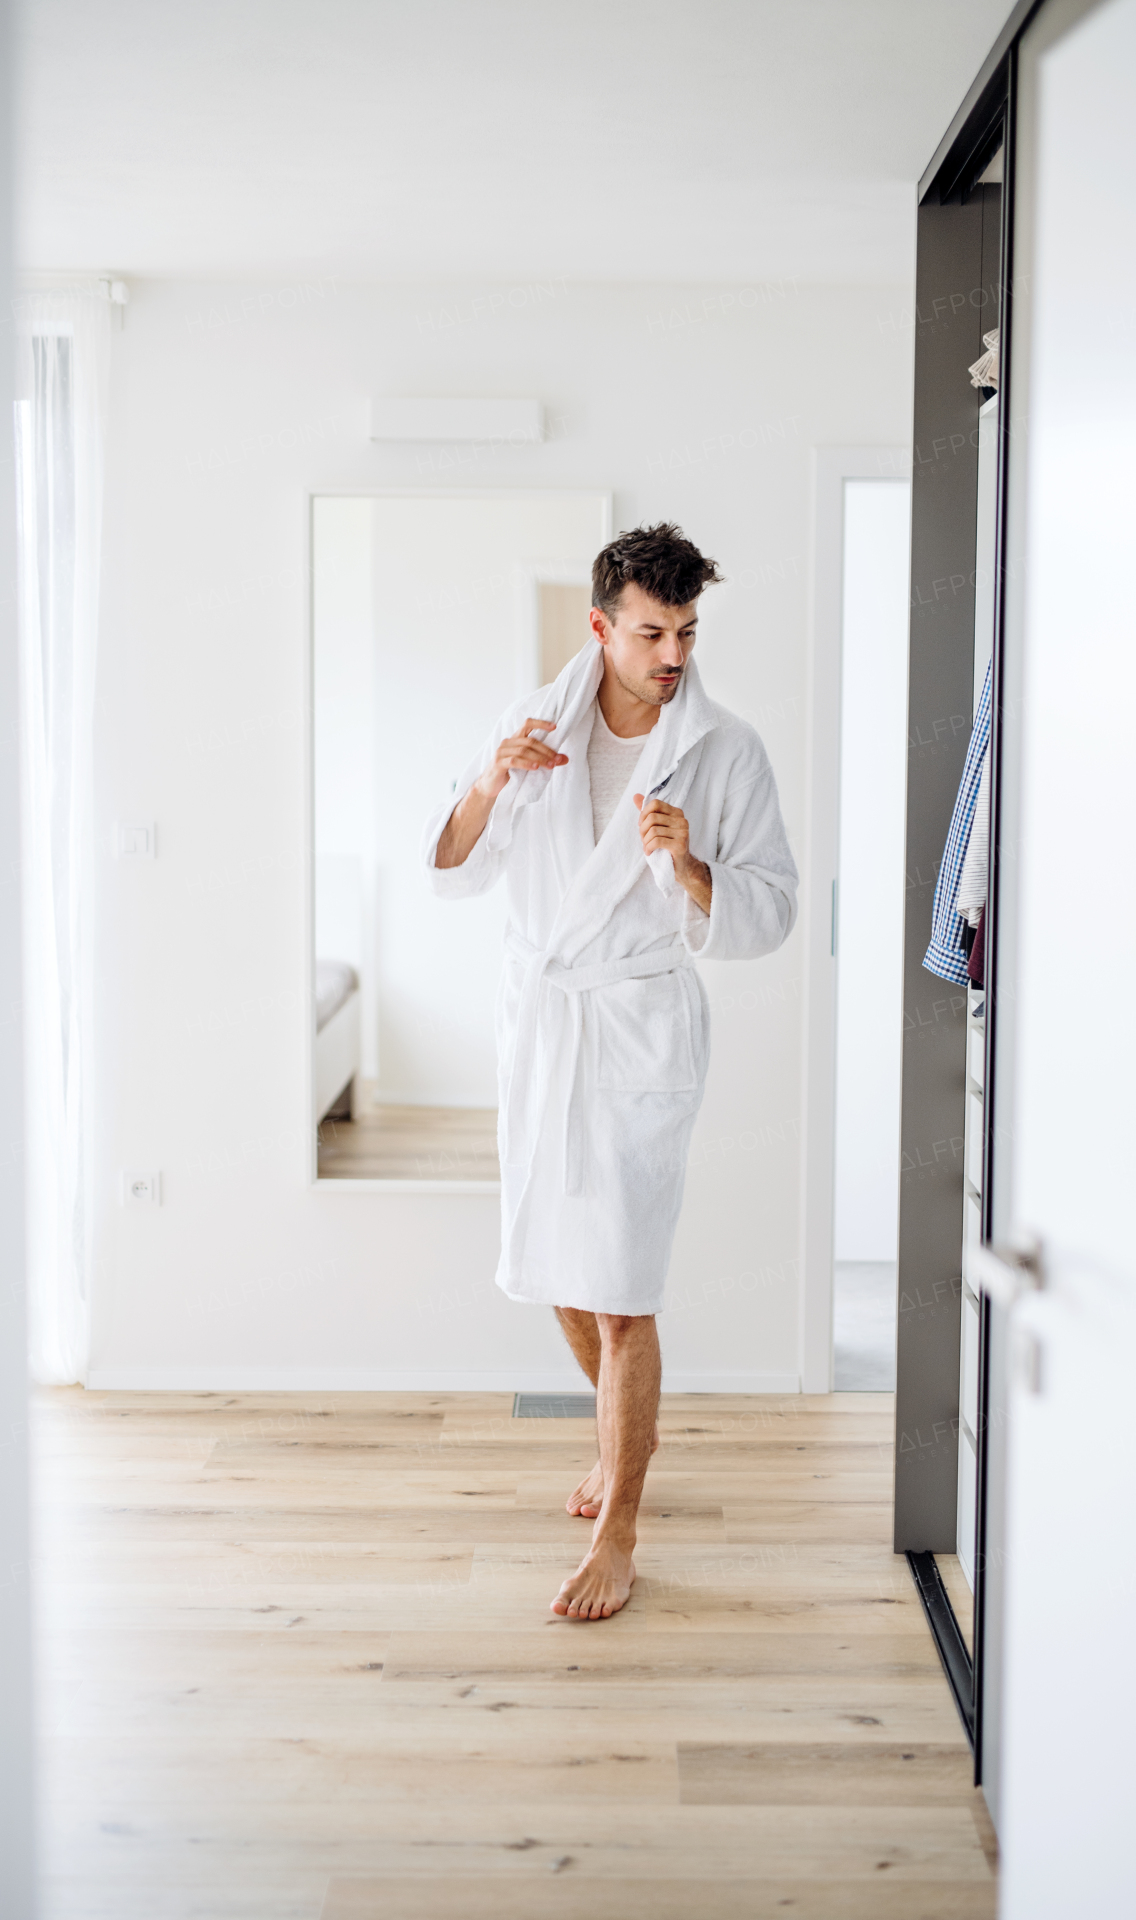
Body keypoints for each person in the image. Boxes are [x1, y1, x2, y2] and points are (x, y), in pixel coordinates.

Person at [423, 523, 798, 1620]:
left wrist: (685, 864)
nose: (671, 653)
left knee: (624, 1290)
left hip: (635, 1027)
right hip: (543, 1029)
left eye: (684, 630)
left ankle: (622, 1529)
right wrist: (491, 781)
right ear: (600, 626)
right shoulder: (530, 724)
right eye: (649, 631)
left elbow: (769, 909)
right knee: (558, 1265)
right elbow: (450, 867)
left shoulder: (724, 751)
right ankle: (611, 1441)